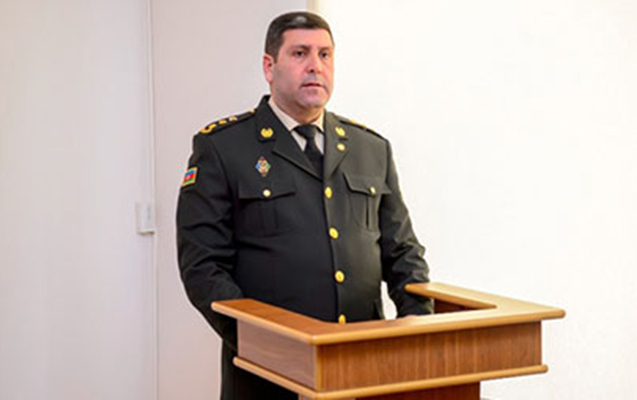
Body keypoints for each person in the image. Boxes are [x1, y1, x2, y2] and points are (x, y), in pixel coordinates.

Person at [176, 11, 432, 400]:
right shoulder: (223, 148)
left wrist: (417, 328)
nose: (315, 66)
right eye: (300, 53)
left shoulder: (370, 148)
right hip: (268, 377)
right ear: (269, 66)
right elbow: (203, 267)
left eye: (325, 55)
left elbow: (402, 252)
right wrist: (265, 346)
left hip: (362, 370)